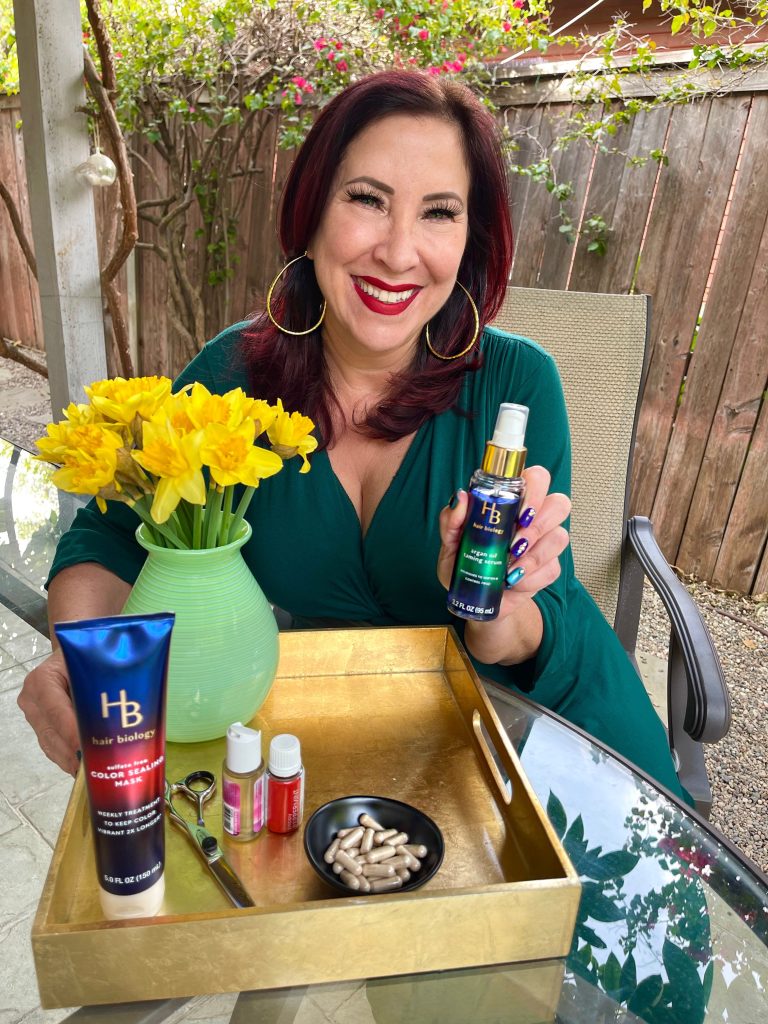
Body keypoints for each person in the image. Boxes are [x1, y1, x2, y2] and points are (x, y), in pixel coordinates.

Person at [18, 69, 688, 802]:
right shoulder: (231, 377)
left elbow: (535, 629)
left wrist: (496, 609)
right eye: (367, 200)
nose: (399, 253)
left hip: (541, 735)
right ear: (311, 213)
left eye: (439, 213)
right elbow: (112, 537)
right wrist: (83, 663)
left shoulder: (518, 388)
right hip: (322, 736)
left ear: (471, 242)